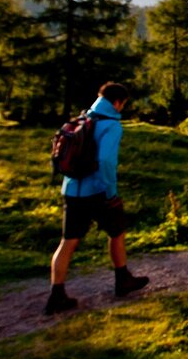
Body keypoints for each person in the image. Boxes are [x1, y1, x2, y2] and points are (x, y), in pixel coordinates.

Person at [44, 82, 149, 315]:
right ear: (117, 102)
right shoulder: (111, 125)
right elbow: (106, 161)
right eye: (123, 104)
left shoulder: (82, 120)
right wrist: (110, 192)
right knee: (117, 232)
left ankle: (57, 294)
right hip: (97, 192)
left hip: (71, 190)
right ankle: (122, 279)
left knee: (68, 241)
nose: (122, 109)